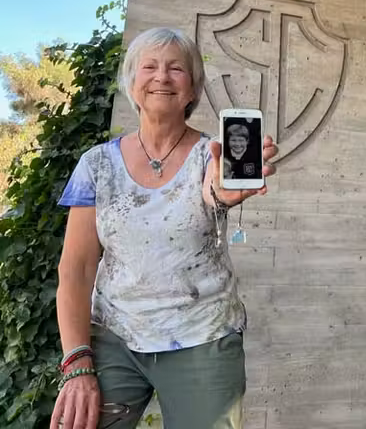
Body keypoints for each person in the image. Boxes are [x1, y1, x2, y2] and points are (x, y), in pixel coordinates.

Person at [51, 27, 278, 429]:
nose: (162, 77)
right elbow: (77, 268)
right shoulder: (97, 165)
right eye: (150, 67)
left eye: (177, 69)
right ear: (132, 82)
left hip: (203, 339)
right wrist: (77, 360)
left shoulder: (211, 155)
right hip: (115, 336)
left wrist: (225, 192)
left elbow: (215, 191)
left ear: (192, 89)